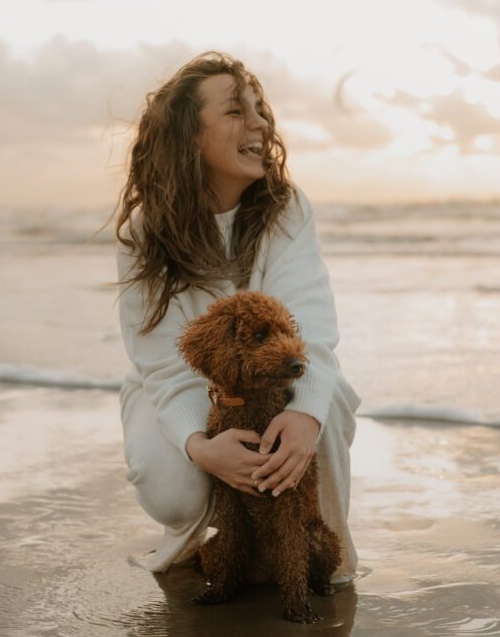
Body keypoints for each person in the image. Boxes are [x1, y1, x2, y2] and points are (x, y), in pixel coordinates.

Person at [114, 51, 362, 583]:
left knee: (330, 398)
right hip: (174, 388)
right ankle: (218, 537)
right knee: (177, 493)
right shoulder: (145, 232)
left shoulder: (285, 208)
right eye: (235, 111)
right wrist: (202, 447)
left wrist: (305, 418)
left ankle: (325, 558)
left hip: (276, 382)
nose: (259, 124)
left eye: (258, 109)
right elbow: (161, 363)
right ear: (189, 137)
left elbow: (310, 337)